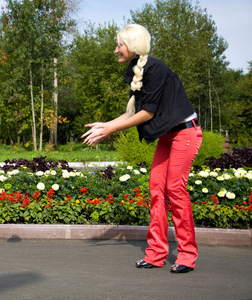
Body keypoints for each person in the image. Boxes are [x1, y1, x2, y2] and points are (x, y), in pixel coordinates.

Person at [82, 24, 203, 274]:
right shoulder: (138, 70)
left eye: (119, 45)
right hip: (167, 137)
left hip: (186, 132)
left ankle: (187, 255)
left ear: (133, 46)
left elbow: (147, 113)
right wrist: (105, 125)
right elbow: (133, 112)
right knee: (156, 189)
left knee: (175, 189)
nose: (115, 50)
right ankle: (156, 253)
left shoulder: (155, 69)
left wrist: (110, 131)